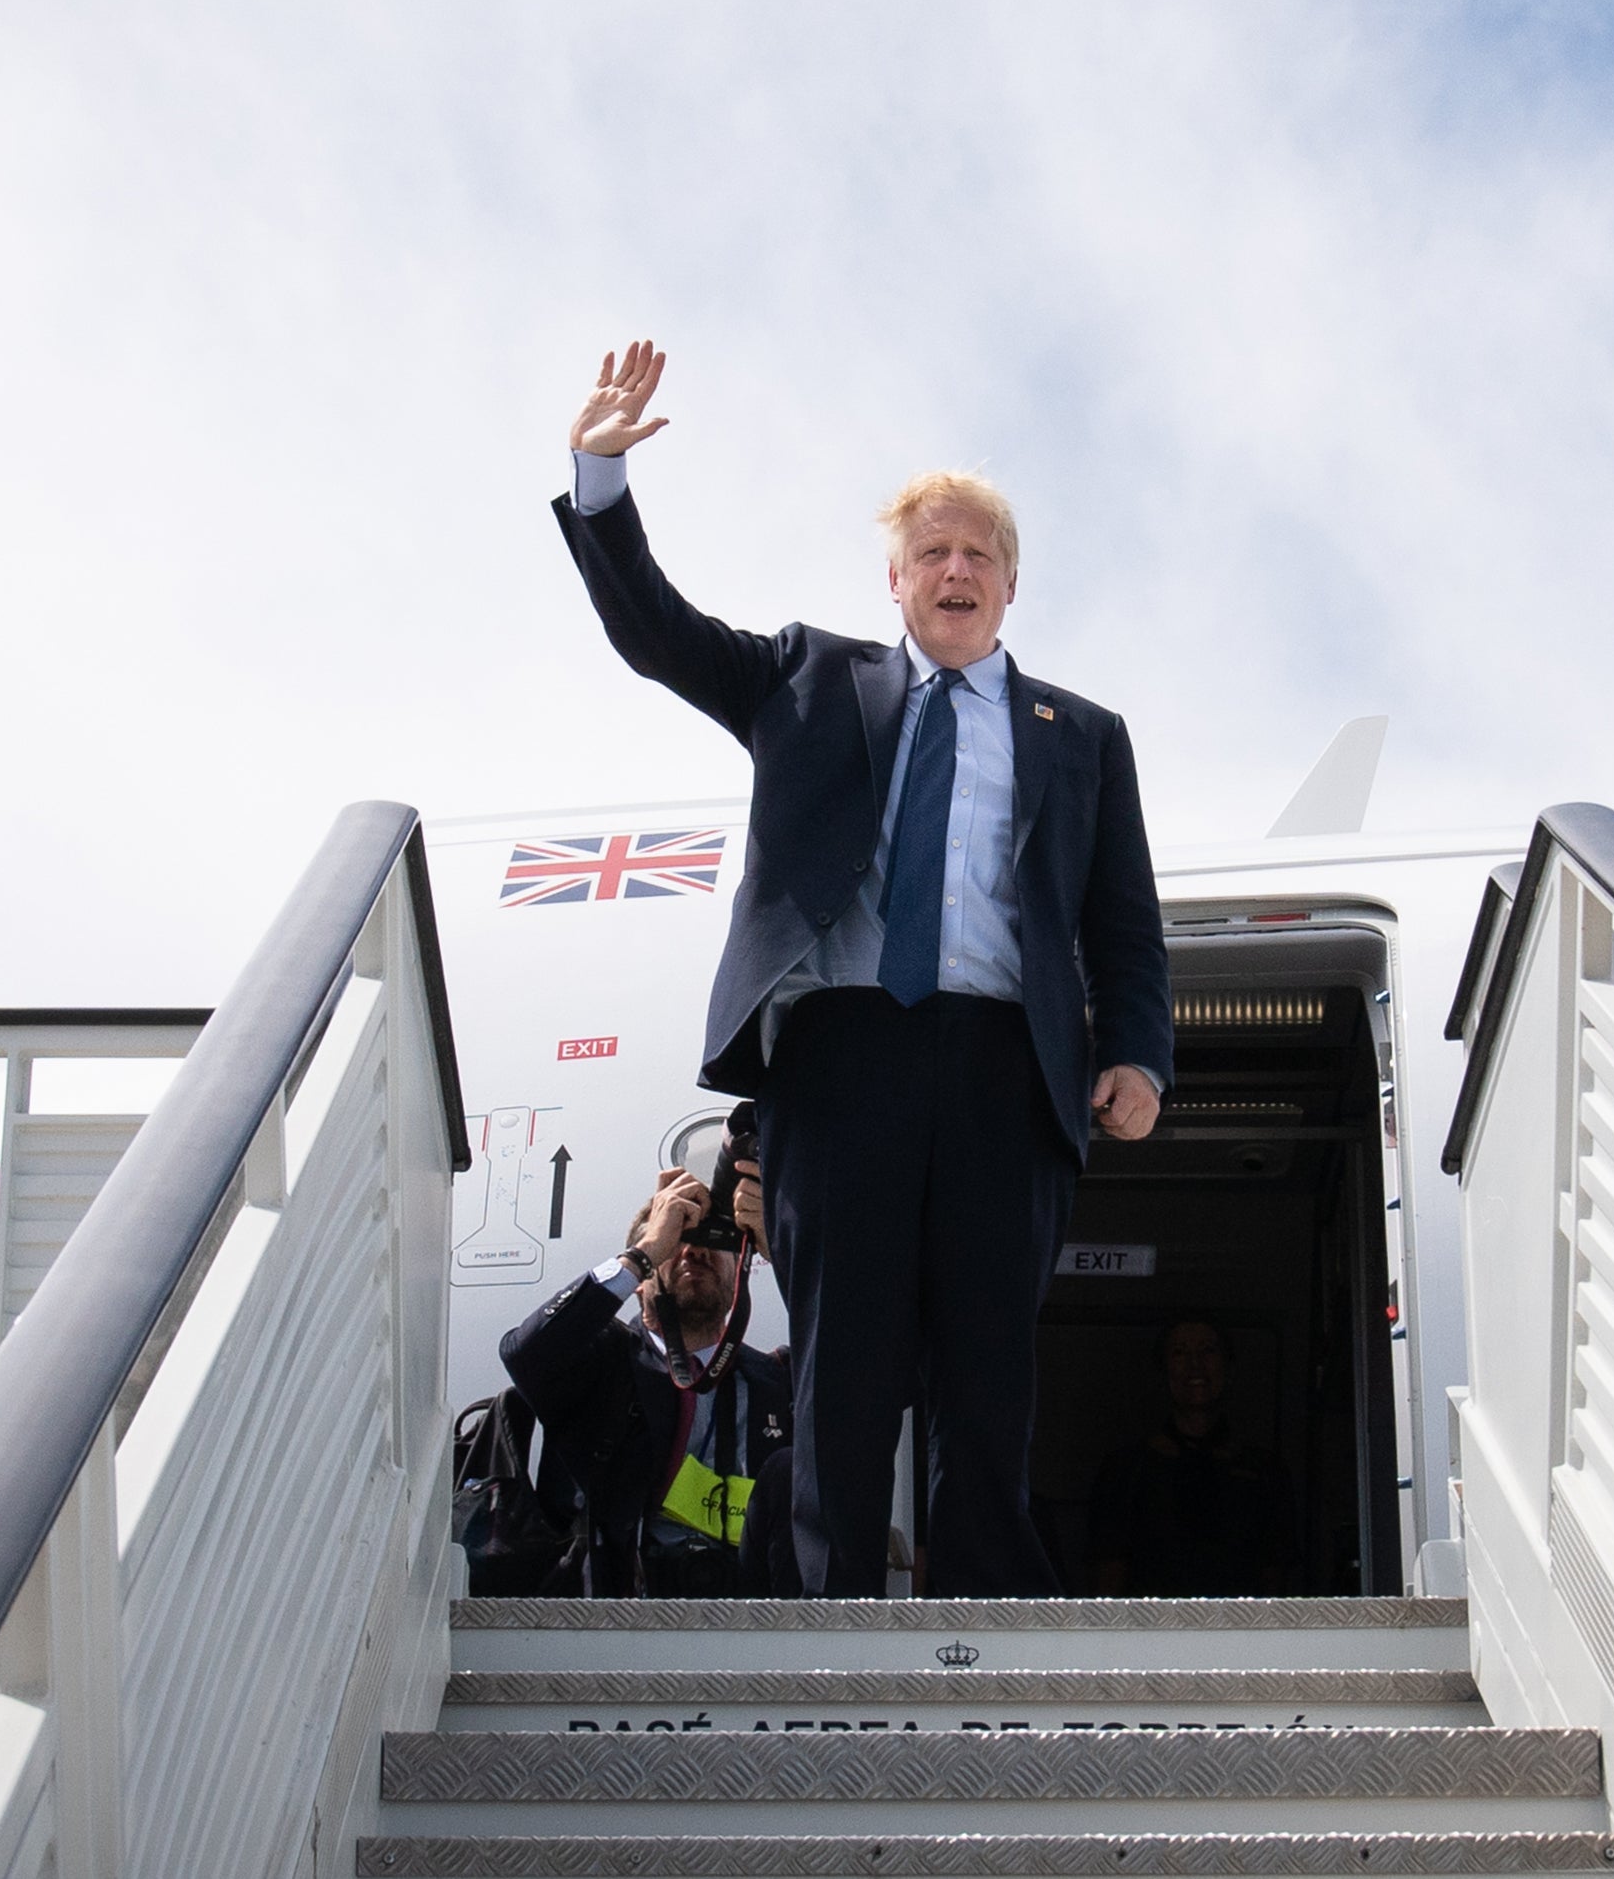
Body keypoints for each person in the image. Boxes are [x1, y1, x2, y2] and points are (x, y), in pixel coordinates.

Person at [551, 338, 1172, 1598]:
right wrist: (599, 485)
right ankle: (830, 1612)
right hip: (842, 1060)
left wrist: (1137, 1051)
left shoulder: (1083, 738)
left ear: (1010, 589)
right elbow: (658, 635)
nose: (956, 569)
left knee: (989, 1358)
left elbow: (1121, 919)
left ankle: (986, 1610)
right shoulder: (805, 677)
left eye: (979, 555)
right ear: (892, 580)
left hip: (1008, 1067)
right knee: (843, 1360)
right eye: (932, 552)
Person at [494, 1161, 795, 1597]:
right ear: (640, 1277)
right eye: (679, 1240)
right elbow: (524, 1352)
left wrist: (784, 1251)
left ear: (740, 1273)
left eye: (714, 1240)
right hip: (618, 1599)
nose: (695, 1251)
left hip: (751, 1600)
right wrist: (647, 1248)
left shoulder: (778, 1380)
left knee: (789, 1470)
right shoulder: (600, 1365)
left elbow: (878, 1390)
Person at [1084, 1319, 1298, 1596]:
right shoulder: (1126, 1470)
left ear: (1228, 1366)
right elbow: (1108, 1583)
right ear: (1163, 1370)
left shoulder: (1263, 1472)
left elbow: (1275, 1582)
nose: (1194, 1365)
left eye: (1207, 1351)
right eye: (1179, 1353)